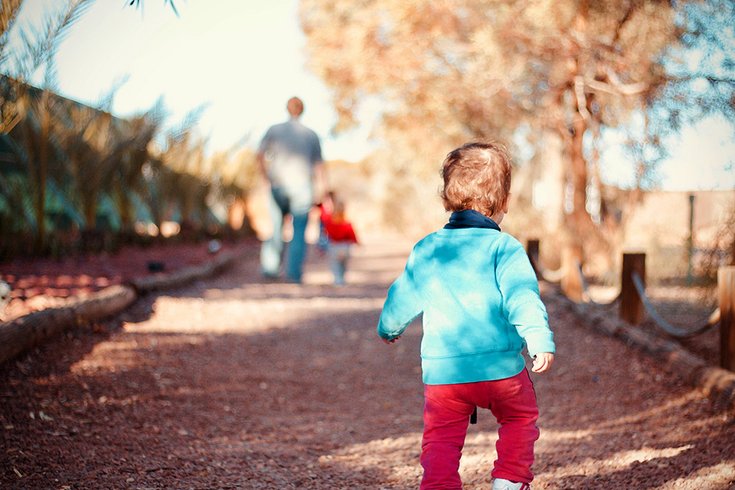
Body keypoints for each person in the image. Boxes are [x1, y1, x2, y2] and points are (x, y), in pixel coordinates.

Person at [377, 142, 555, 490]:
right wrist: (538, 339)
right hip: (501, 370)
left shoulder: (428, 248)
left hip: (445, 375)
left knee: (440, 439)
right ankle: (509, 480)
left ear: (447, 197)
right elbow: (523, 297)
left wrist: (389, 327)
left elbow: (404, 294)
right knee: (520, 417)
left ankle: (440, 485)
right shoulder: (505, 248)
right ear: (504, 202)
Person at [257, 97, 325, 283]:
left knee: (276, 226)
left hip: (277, 184)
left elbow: (259, 154)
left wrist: (266, 177)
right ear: (302, 110)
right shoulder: (311, 134)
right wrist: (322, 190)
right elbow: (319, 166)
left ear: (287, 109)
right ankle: (293, 274)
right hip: (303, 187)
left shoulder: (274, 130)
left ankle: (270, 269)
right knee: (299, 229)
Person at [320, 193, 358, 285]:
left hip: (334, 247)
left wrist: (321, 245)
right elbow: (353, 236)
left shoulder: (330, 223)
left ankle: (338, 279)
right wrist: (357, 243)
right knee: (343, 264)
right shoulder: (347, 224)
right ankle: (342, 278)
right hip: (345, 247)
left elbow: (325, 234)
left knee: (335, 265)